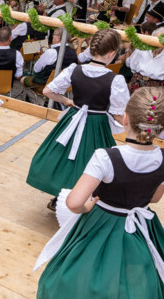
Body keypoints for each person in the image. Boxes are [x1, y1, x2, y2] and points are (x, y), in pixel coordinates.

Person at [35, 87, 164, 299]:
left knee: (81, 274)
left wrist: (89, 205)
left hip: (100, 222)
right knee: (114, 281)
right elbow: (156, 198)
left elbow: (73, 202)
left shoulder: (106, 157)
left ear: (124, 118)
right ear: (162, 124)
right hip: (137, 228)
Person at [26, 29, 129, 211]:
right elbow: (119, 114)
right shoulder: (115, 80)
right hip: (97, 123)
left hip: (74, 118)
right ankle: (82, 200)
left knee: (64, 158)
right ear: (112, 53)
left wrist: (67, 101)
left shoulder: (75, 69)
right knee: (92, 161)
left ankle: (60, 197)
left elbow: (48, 91)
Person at [126, 27, 164, 93]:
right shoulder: (142, 48)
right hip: (137, 81)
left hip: (156, 86)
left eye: (162, 40)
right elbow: (132, 64)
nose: (157, 43)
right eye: (155, 39)